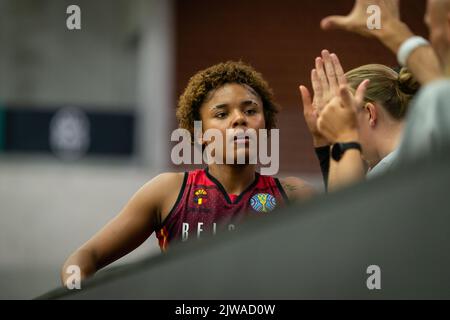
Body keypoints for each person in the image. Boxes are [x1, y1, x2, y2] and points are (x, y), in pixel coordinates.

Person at [61, 61, 314, 286]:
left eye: (250, 111)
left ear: (266, 126)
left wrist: (330, 144)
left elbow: (345, 249)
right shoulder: (168, 191)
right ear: (200, 134)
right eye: (222, 114)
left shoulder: (294, 195)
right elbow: (83, 259)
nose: (239, 119)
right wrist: (75, 288)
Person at [309, 0, 450, 189]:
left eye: (431, 26)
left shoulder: (398, 171)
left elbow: (347, 214)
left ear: (369, 113)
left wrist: (341, 137)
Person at [301, 50, 419, 190]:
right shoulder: (395, 164)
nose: (334, 123)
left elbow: (346, 208)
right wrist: (324, 140)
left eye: (343, 110)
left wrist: (340, 137)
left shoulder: (401, 172)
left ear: (369, 113)